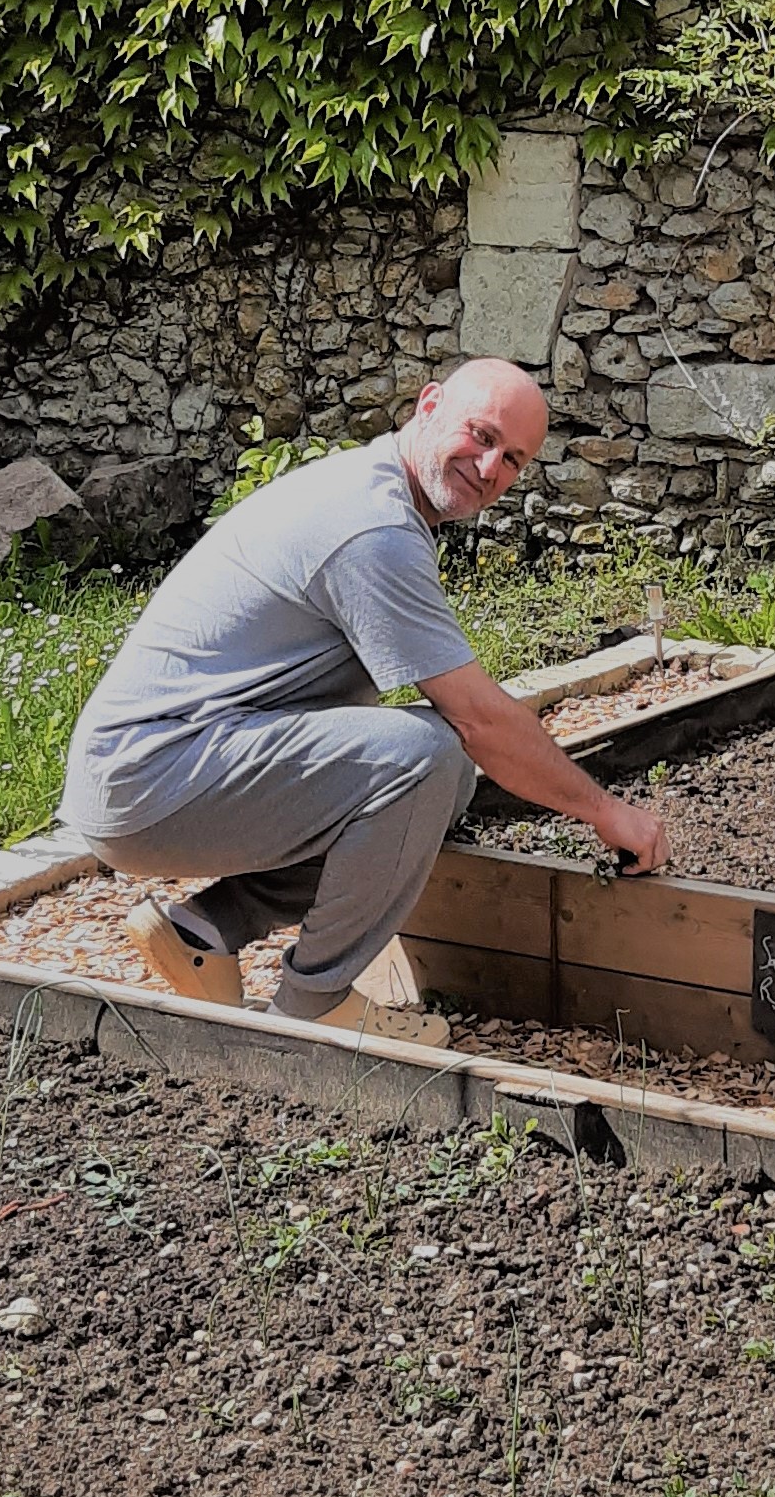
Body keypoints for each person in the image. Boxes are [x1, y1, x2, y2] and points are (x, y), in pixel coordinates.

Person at [58, 358, 668, 1024]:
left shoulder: (378, 494)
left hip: (162, 764)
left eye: (514, 459)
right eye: (482, 435)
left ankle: (203, 931)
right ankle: (315, 1008)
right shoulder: (373, 528)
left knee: (443, 777)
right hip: (150, 776)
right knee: (426, 759)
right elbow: (478, 719)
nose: (492, 468)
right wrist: (607, 812)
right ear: (429, 404)